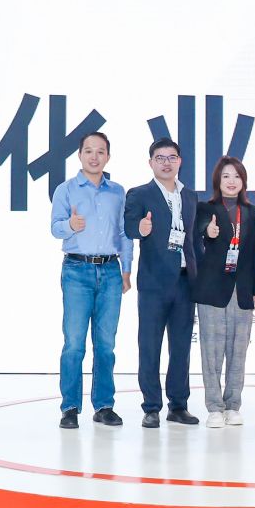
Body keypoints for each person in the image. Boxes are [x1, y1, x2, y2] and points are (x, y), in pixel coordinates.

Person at [49, 131, 131, 429]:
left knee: (106, 344)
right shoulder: (66, 190)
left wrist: (126, 269)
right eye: (88, 151)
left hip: (110, 271)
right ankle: (70, 407)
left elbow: (124, 233)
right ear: (80, 155)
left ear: (108, 156)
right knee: (74, 343)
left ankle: (104, 405)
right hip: (77, 270)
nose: (94, 157)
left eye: (100, 151)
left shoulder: (118, 192)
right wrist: (70, 225)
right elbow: (55, 228)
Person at [124, 138, 200, 428]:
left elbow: (193, 239)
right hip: (154, 283)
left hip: (185, 282)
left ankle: (178, 405)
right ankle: (151, 407)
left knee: (181, 347)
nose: (166, 163)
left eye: (171, 157)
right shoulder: (139, 194)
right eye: (160, 158)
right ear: (150, 163)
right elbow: (128, 227)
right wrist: (140, 228)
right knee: (150, 345)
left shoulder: (190, 196)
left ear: (180, 161)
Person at [192, 156, 255, 428]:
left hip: (242, 289)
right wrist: (207, 231)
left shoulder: (252, 212)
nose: (231, 181)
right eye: (226, 176)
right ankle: (214, 408)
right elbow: (198, 233)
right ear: (217, 181)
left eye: (236, 176)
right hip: (211, 289)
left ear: (243, 181)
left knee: (238, 351)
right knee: (211, 351)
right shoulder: (205, 208)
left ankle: (233, 405)